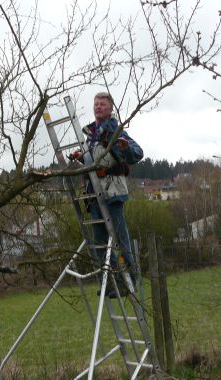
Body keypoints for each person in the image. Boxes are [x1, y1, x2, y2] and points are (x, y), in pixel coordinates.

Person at [78, 92, 143, 297]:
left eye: (102, 104)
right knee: (99, 242)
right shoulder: (90, 134)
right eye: (96, 104)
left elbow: (137, 153)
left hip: (112, 191)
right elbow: (95, 161)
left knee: (120, 238)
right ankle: (112, 282)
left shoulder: (115, 130)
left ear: (110, 108)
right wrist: (81, 158)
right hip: (94, 194)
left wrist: (125, 147)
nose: (98, 107)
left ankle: (130, 281)